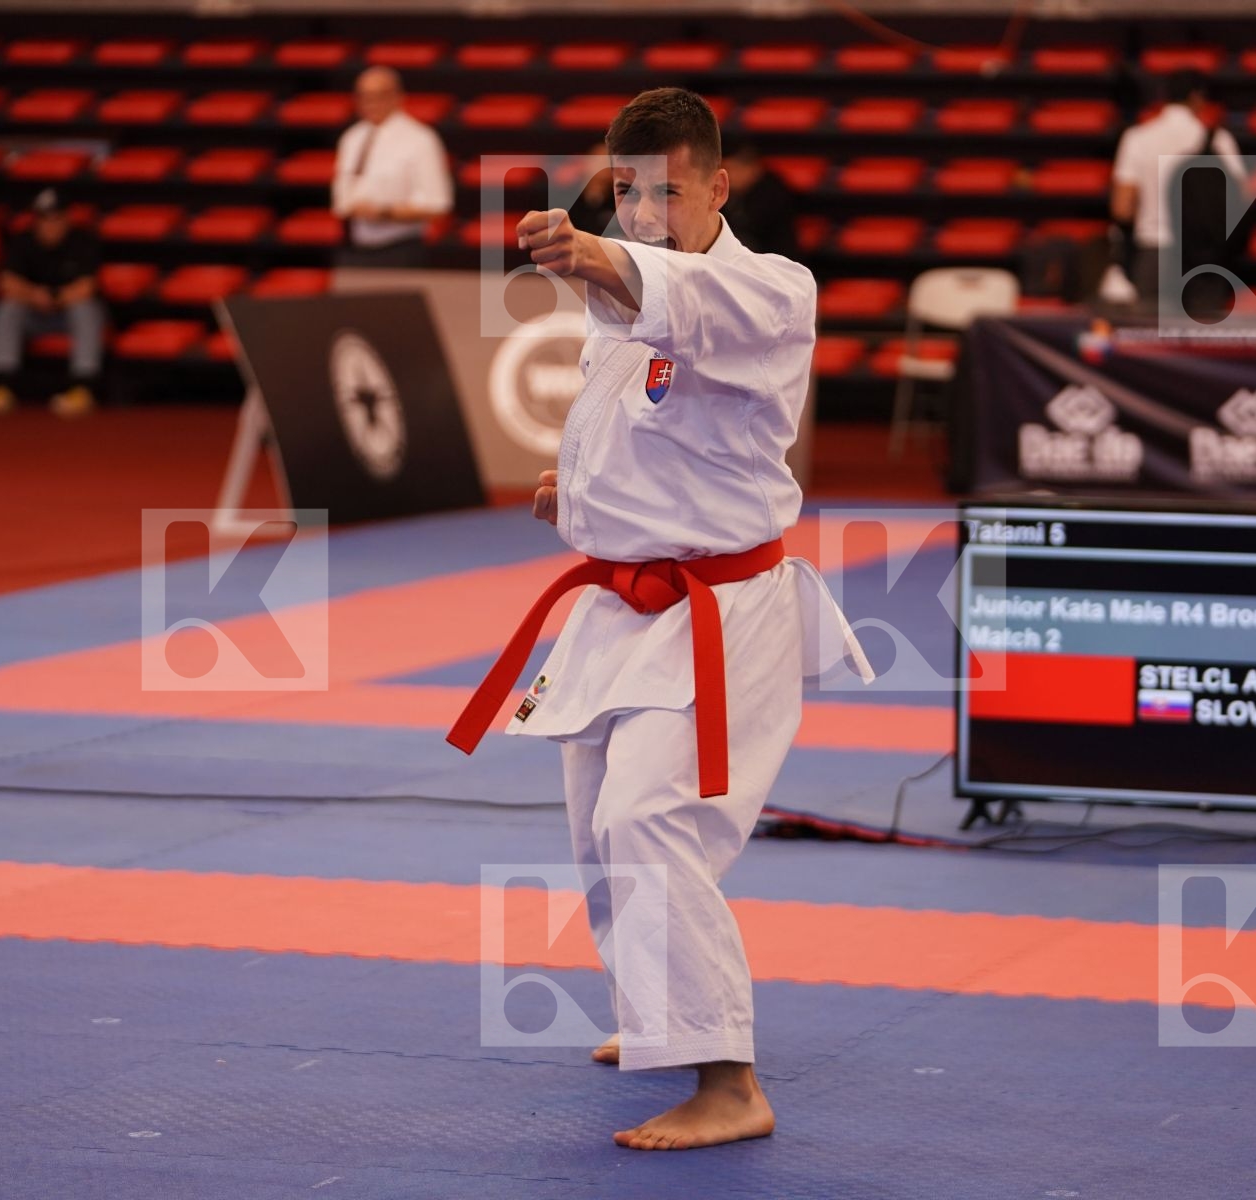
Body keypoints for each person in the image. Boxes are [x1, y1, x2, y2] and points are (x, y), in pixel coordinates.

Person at [446, 88, 872, 1152]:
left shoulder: (772, 292)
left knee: (651, 821)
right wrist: (579, 493)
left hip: (721, 613)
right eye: (624, 189)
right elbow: (649, 425)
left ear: (720, 187)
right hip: (623, 601)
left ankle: (728, 1079)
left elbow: (654, 286)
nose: (642, 211)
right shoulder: (621, 308)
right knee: (595, 824)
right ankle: (654, 1010)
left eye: (666, 190)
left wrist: (580, 248)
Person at [1110, 69, 1245, 302]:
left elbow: (1122, 208)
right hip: (1204, 259)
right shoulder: (1219, 140)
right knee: (1204, 337)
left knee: (1151, 337)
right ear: (1197, 98)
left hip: (1154, 253)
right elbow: (1241, 201)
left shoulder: (1137, 138)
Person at [0, 189, 103, 417]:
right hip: (34, 314)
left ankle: (83, 387)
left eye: (56, 218)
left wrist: (56, 297)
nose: (50, 225)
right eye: (44, 219)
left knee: (86, 309)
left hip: (67, 314)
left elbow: (88, 287)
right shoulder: (23, 241)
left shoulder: (82, 241)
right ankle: (3, 385)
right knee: (8, 308)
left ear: (67, 218)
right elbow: (6, 282)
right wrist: (35, 295)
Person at [330, 66, 453, 269]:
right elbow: (342, 192)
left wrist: (384, 212)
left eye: (377, 96)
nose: (370, 103)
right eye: (363, 96)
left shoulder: (420, 139)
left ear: (397, 96)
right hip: (354, 247)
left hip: (400, 251)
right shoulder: (352, 138)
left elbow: (438, 203)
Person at [720, 142, 798, 260]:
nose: (728, 176)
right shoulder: (727, 193)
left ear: (753, 169)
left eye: (733, 169)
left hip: (774, 259)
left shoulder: (773, 193)